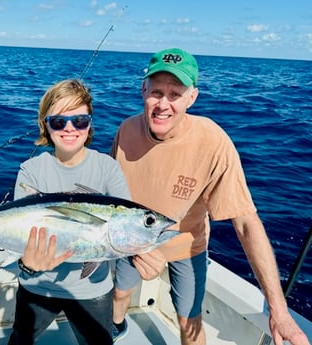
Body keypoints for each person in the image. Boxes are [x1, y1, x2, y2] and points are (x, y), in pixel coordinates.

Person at [110, 48, 310, 345]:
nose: (163, 104)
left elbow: (245, 223)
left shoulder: (214, 143)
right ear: (143, 90)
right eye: (156, 92)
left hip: (186, 246)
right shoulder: (126, 129)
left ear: (192, 97)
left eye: (175, 94)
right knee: (119, 292)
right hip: (132, 241)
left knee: (189, 321)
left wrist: (278, 310)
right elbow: (110, 198)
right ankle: (115, 328)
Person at [7, 79, 134, 345]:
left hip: (93, 289)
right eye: (58, 121)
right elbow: (21, 234)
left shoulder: (107, 168)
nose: (69, 129)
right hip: (37, 285)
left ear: (89, 125)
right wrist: (27, 266)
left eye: (79, 121)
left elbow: (125, 226)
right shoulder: (31, 170)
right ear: (45, 124)